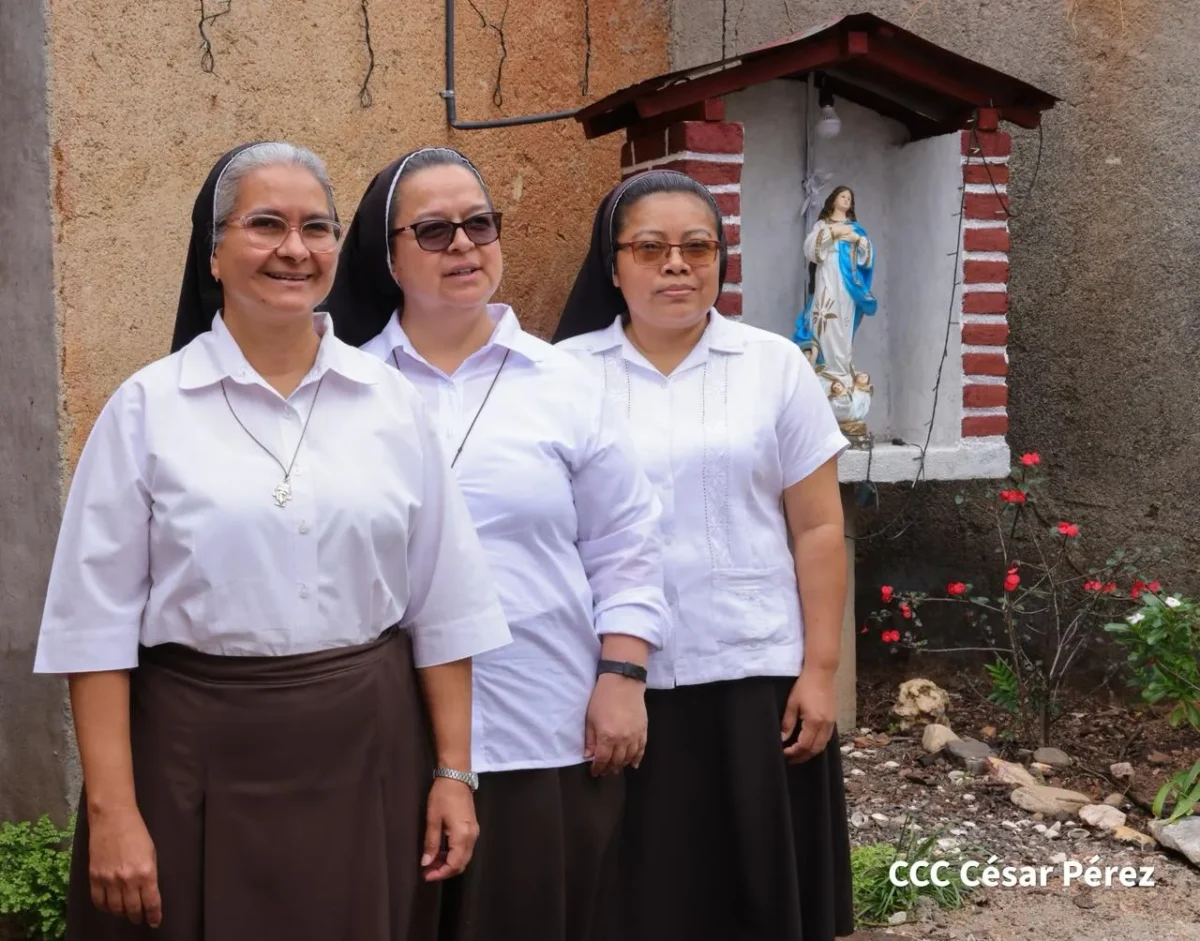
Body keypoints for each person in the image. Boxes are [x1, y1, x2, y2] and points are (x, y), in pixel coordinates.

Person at [33, 141, 512, 941]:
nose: (295, 248)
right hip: (191, 756)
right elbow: (93, 630)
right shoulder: (147, 410)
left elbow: (446, 607)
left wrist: (454, 773)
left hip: (369, 753)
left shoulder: (392, 404)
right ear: (213, 252)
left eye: (316, 227)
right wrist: (113, 811)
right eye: (265, 224)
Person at [323, 147, 669, 941]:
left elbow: (626, 540)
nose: (463, 245)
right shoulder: (342, 388)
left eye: (479, 224)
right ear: (387, 255)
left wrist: (623, 675)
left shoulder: (564, 384)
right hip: (386, 732)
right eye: (433, 230)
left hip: (544, 721)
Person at [553, 168, 857, 941]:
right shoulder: (561, 375)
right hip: (610, 678)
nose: (676, 265)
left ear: (721, 260)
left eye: (697, 247)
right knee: (631, 897)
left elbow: (818, 527)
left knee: (751, 895)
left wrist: (820, 671)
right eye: (649, 248)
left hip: (752, 672)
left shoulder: (773, 365)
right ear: (612, 264)